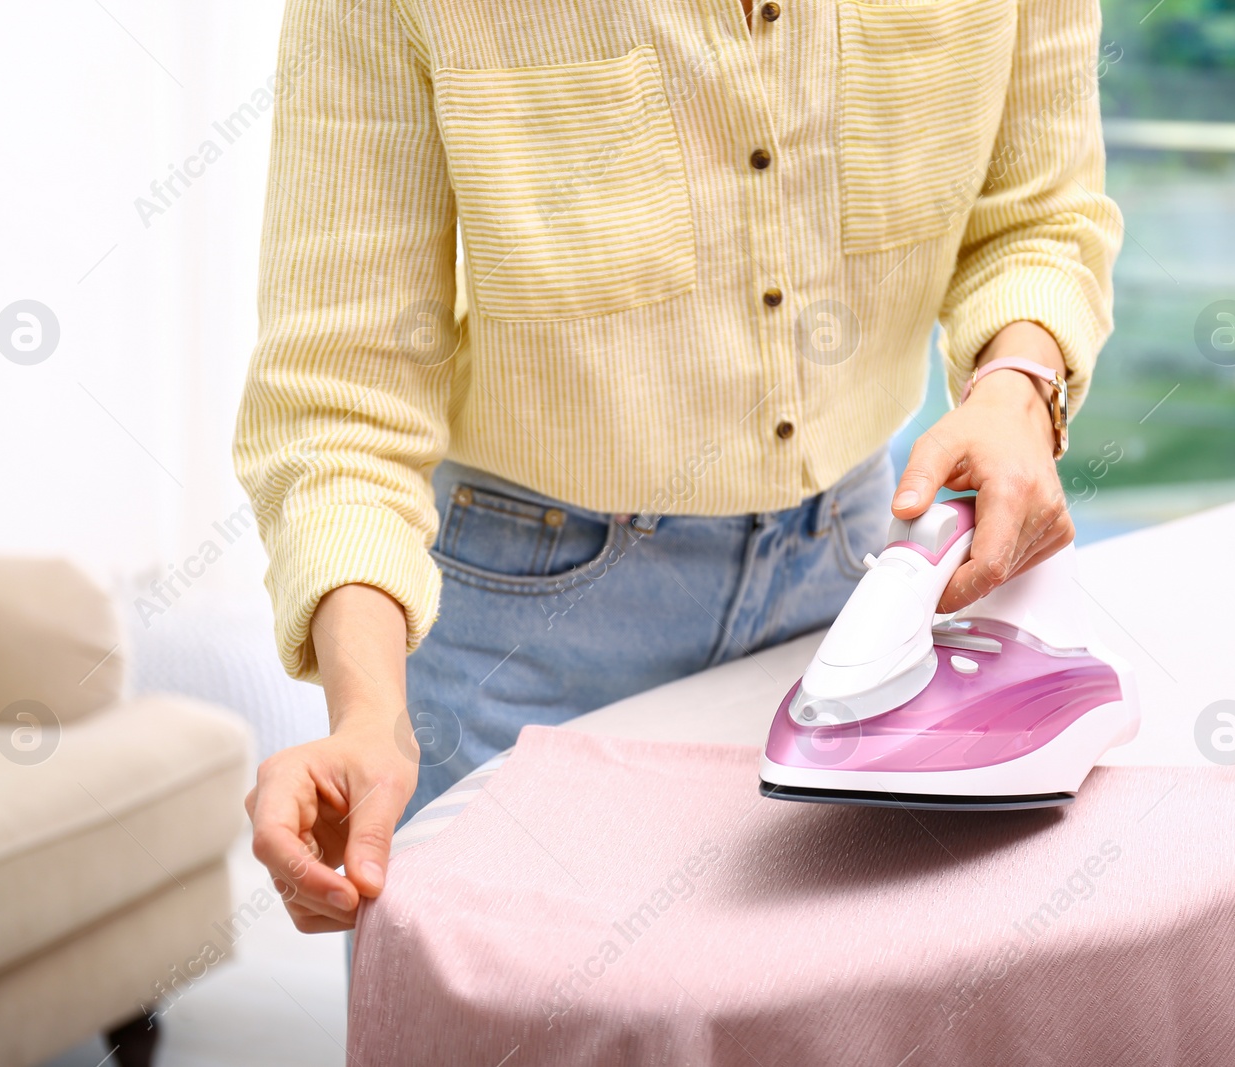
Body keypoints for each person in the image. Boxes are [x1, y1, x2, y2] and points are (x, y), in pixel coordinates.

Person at [233, 0, 1121, 933]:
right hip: (528, 630)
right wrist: (371, 712)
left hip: (859, 568)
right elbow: (342, 391)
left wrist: (1019, 384)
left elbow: (1042, 215)